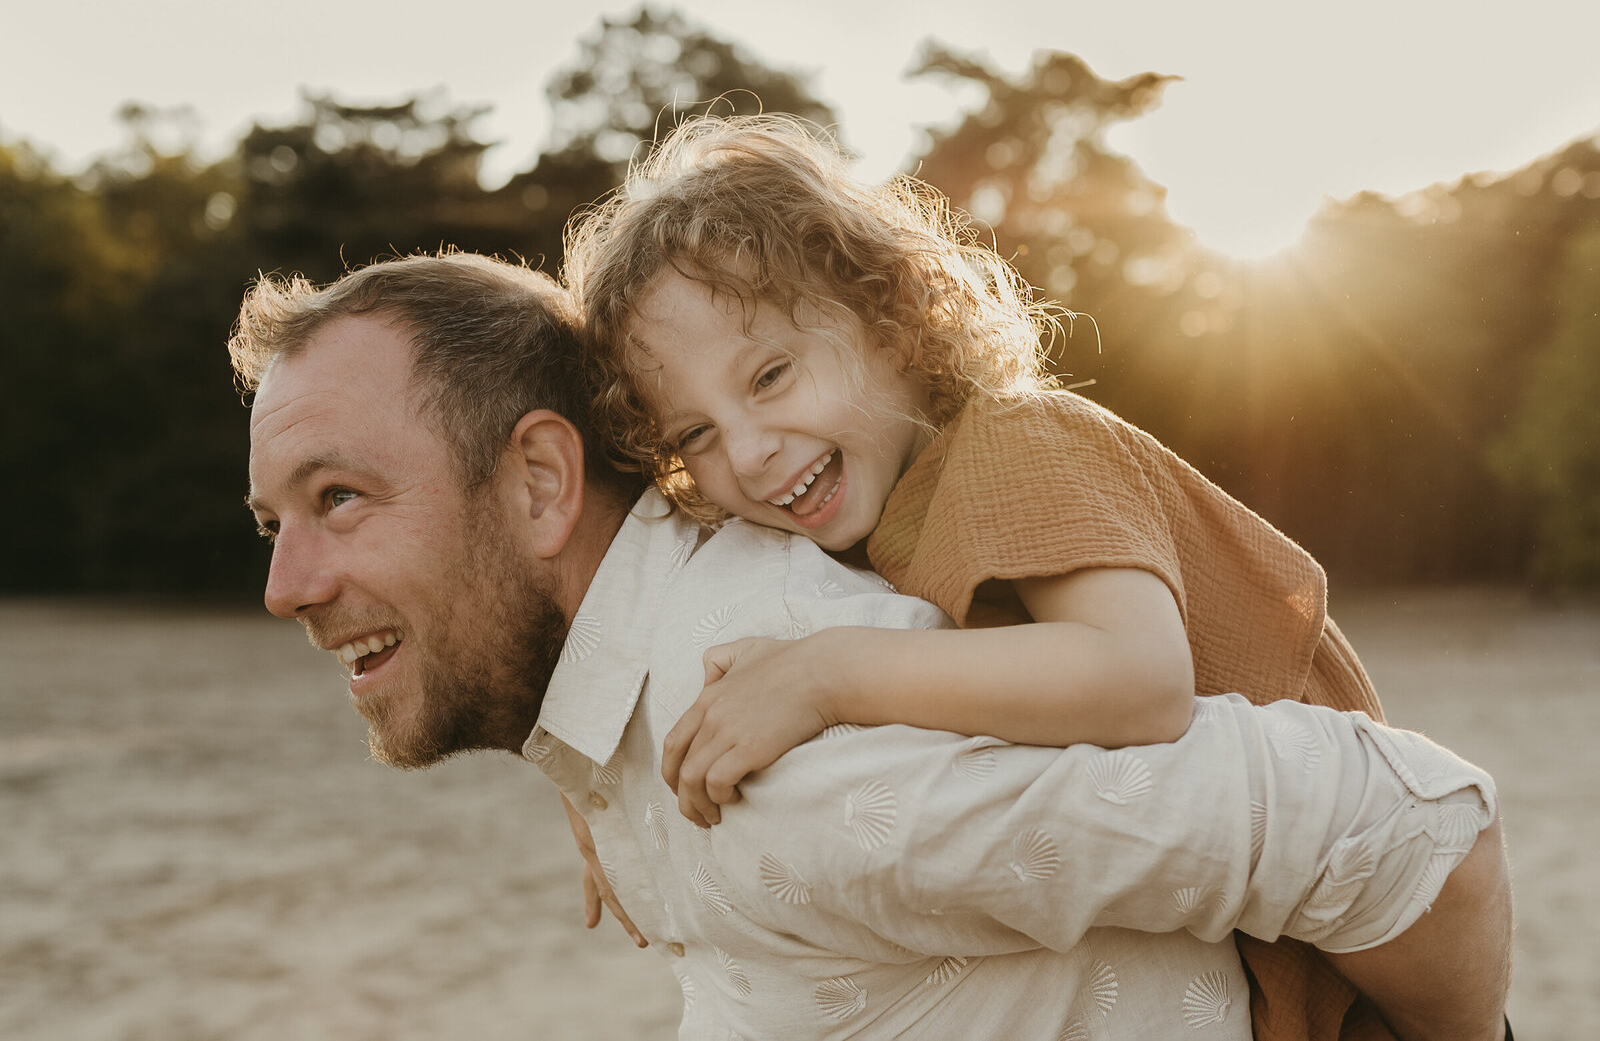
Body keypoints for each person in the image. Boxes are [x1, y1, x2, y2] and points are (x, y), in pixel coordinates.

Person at [235, 252, 1511, 1039]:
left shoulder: (792, 751)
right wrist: (586, 782)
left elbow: (1404, 825)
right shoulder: (660, 680)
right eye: (273, 521)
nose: (288, 583)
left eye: (339, 495)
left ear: (539, 482)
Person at [563, 114, 1394, 1036]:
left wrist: (827, 675)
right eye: (695, 435)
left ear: (893, 319)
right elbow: (632, 577)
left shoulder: (1015, 440)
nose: (751, 454)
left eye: (769, 377)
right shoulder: (861, 520)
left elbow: (1141, 681)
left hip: (1360, 942)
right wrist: (599, 783)